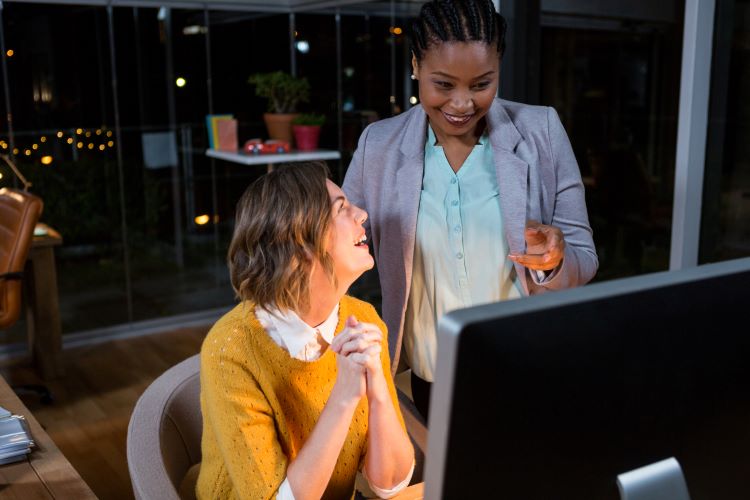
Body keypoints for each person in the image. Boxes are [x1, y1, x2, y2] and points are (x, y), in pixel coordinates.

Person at [342, 0, 598, 419]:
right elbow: (337, 244)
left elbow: (584, 261)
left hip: (529, 370)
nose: (462, 104)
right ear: (415, 67)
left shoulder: (542, 132)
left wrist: (556, 260)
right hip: (433, 379)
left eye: (481, 84)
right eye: (443, 85)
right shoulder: (379, 146)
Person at [196, 162, 414, 500]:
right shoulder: (231, 351)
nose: (362, 214)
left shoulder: (363, 320)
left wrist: (379, 392)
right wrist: (344, 396)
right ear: (300, 241)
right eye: (341, 208)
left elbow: (390, 484)